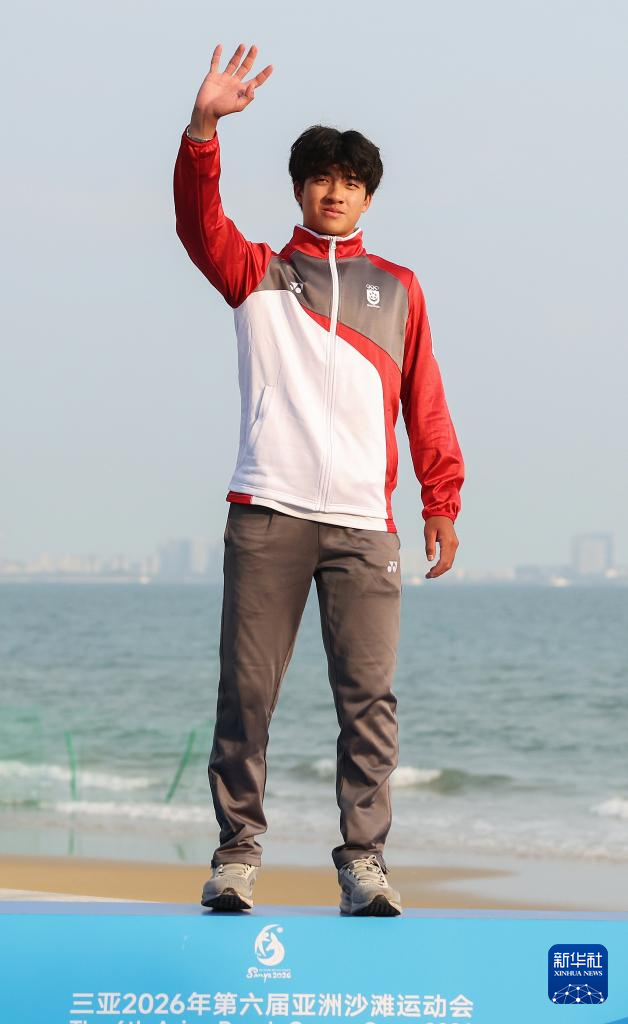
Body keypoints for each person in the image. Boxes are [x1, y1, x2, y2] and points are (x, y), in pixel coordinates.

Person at [173, 42, 464, 916]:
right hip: (268, 511)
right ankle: (236, 857)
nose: (335, 192)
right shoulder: (258, 272)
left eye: (350, 181)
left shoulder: (399, 289)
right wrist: (203, 129)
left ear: (369, 196)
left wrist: (440, 499)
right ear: (300, 189)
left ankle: (363, 864)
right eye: (321, 179)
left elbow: (424, 400)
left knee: (369, 701)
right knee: (247, 695)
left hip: (364, 525)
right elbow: (197, 221)